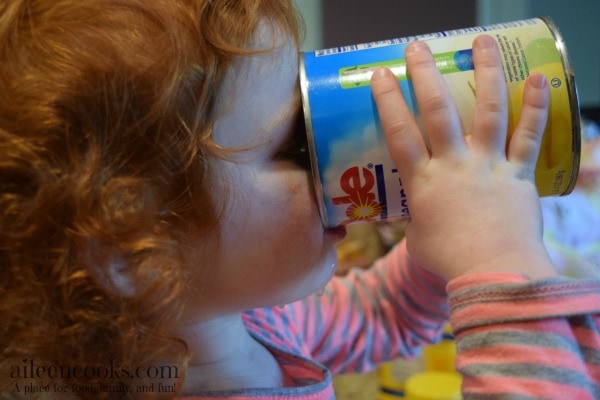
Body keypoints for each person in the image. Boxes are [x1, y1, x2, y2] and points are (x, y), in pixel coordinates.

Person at [1, 0, 599, 399]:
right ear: (131, 250)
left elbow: (378, 313)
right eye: (294, 144)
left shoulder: (248, 320)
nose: (327, 155)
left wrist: (454, 234)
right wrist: (500, 268)